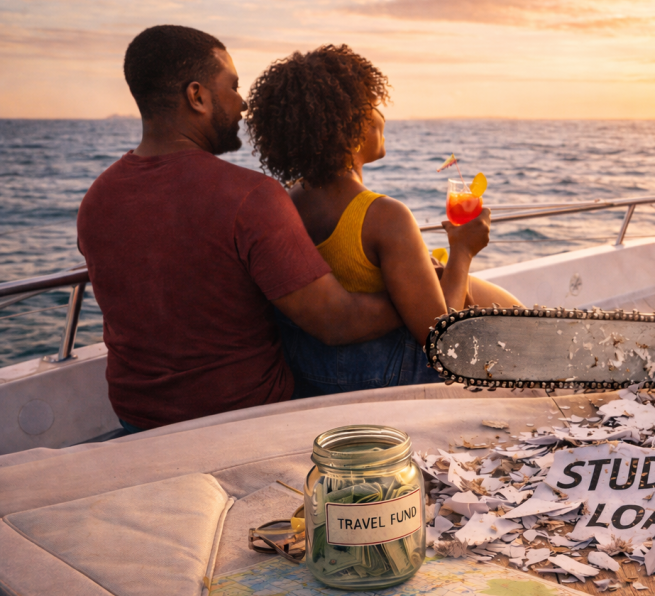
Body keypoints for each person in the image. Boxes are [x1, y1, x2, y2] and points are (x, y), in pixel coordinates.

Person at [77, 26, 405, 431]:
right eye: (232, 87)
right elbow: (337, 323)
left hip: (137, 418)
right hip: (246, 417)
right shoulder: (249, 196)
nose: (244, 103)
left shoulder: (96, 199)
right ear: (196, 96)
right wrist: (420, 294)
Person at [245, 45, 521, 396]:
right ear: (350, 125)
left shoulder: (289, 199)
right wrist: (463, 251)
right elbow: (440, 342)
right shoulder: (383, 216)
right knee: (504, 324)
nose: (382, 115)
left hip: (321, 373)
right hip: (384, 375)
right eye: (372, 105)